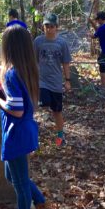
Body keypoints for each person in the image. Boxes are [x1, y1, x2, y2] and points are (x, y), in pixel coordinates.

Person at [0, 25, 58, 209]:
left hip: (15, 133)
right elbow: (19, 102)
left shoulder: (10, 72)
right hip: (23, 131)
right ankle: (43, 208)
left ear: (8, 48)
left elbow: (15, 109)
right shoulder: (25, 70)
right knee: (14, 177)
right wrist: (1, 91)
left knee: (20, 184)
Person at [34, 13, 71, 147]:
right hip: (41, 80)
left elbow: (66, 63)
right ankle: (34, 131)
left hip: (56, 82)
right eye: (46, 26)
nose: (49, 29)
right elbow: (33, 60)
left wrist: (67, 80)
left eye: (52, 26)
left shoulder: (62, 43)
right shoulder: (38, 41)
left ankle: (60, 136)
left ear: (57, 27)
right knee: (44, 102)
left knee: (57, 111)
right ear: (43, 27)